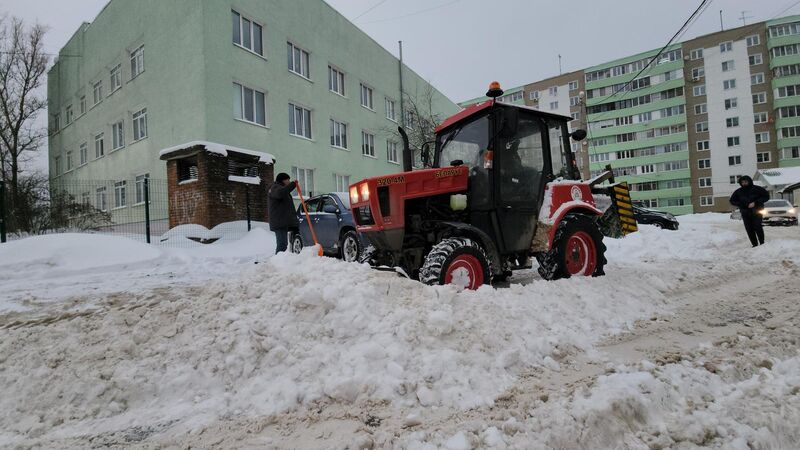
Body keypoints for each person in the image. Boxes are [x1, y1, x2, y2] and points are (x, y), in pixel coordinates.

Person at [729, 175, 770, 247]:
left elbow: (766, 196)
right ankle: (754, 244)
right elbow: (732, 201)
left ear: (749, 181)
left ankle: (762, 243)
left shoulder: (758, 189)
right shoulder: (738, 191)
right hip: (745, 213)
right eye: (742, 182)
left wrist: (756, 203)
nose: (744, 183)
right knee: (749, 229)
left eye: (745, 182)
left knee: (757, 226)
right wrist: (741, 204)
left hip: (757, 211)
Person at [268, 173, 299, 254]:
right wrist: (293, 184)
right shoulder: (275, 188)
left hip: (283, 221)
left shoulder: (281, 189)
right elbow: (280, 193)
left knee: (283, 244)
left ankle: (280, 261)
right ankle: (277, 262)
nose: (289, 181)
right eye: (287, 180)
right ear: (283, 180)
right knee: (282, 244)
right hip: (279, 222)